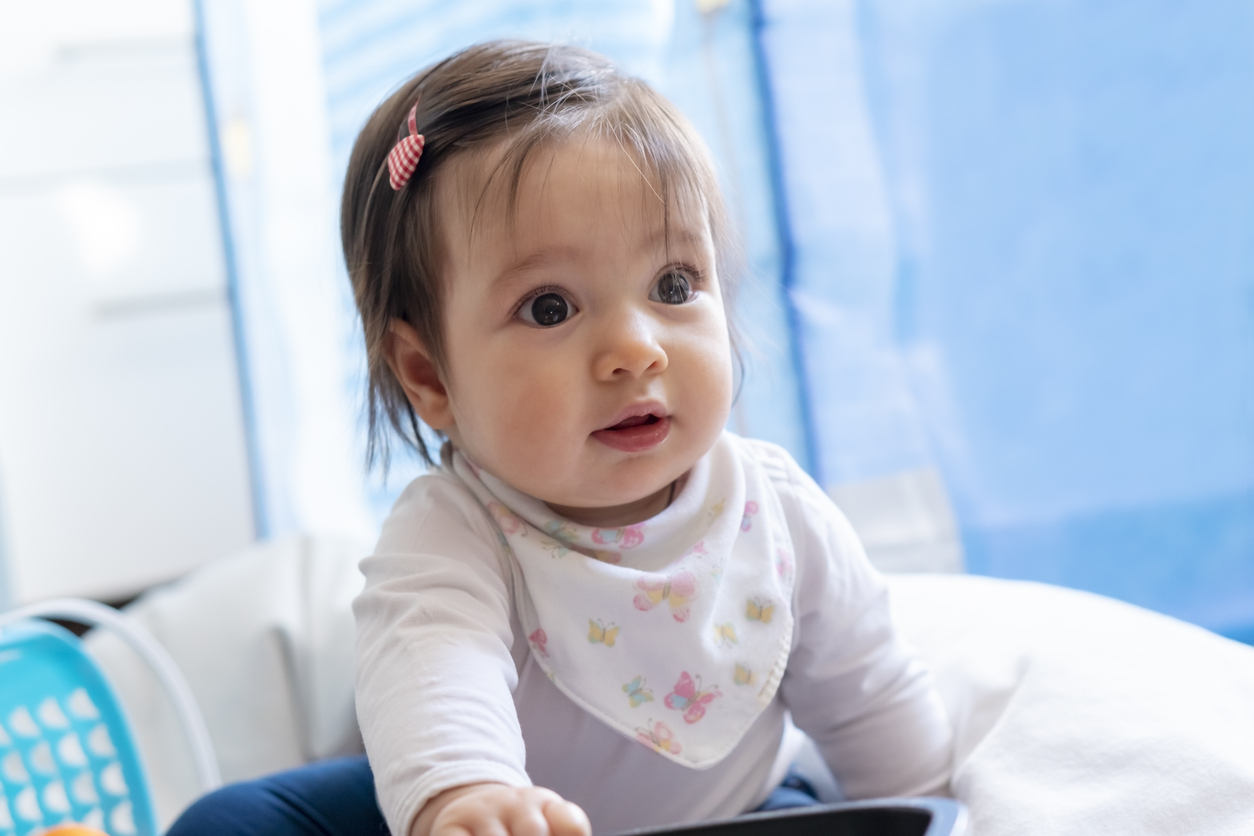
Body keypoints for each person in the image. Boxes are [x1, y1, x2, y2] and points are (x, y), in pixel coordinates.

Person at [169, 39, 951, 836]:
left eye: (674, 285)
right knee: (231, 820)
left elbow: (873, 702)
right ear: (430, 375)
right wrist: (464, 797)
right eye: (551, 308)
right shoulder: (454, 531)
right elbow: (434, 665)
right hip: (500, 815)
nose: (638, 348)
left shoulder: (776, 513)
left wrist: (945, 806)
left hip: (731, 813)